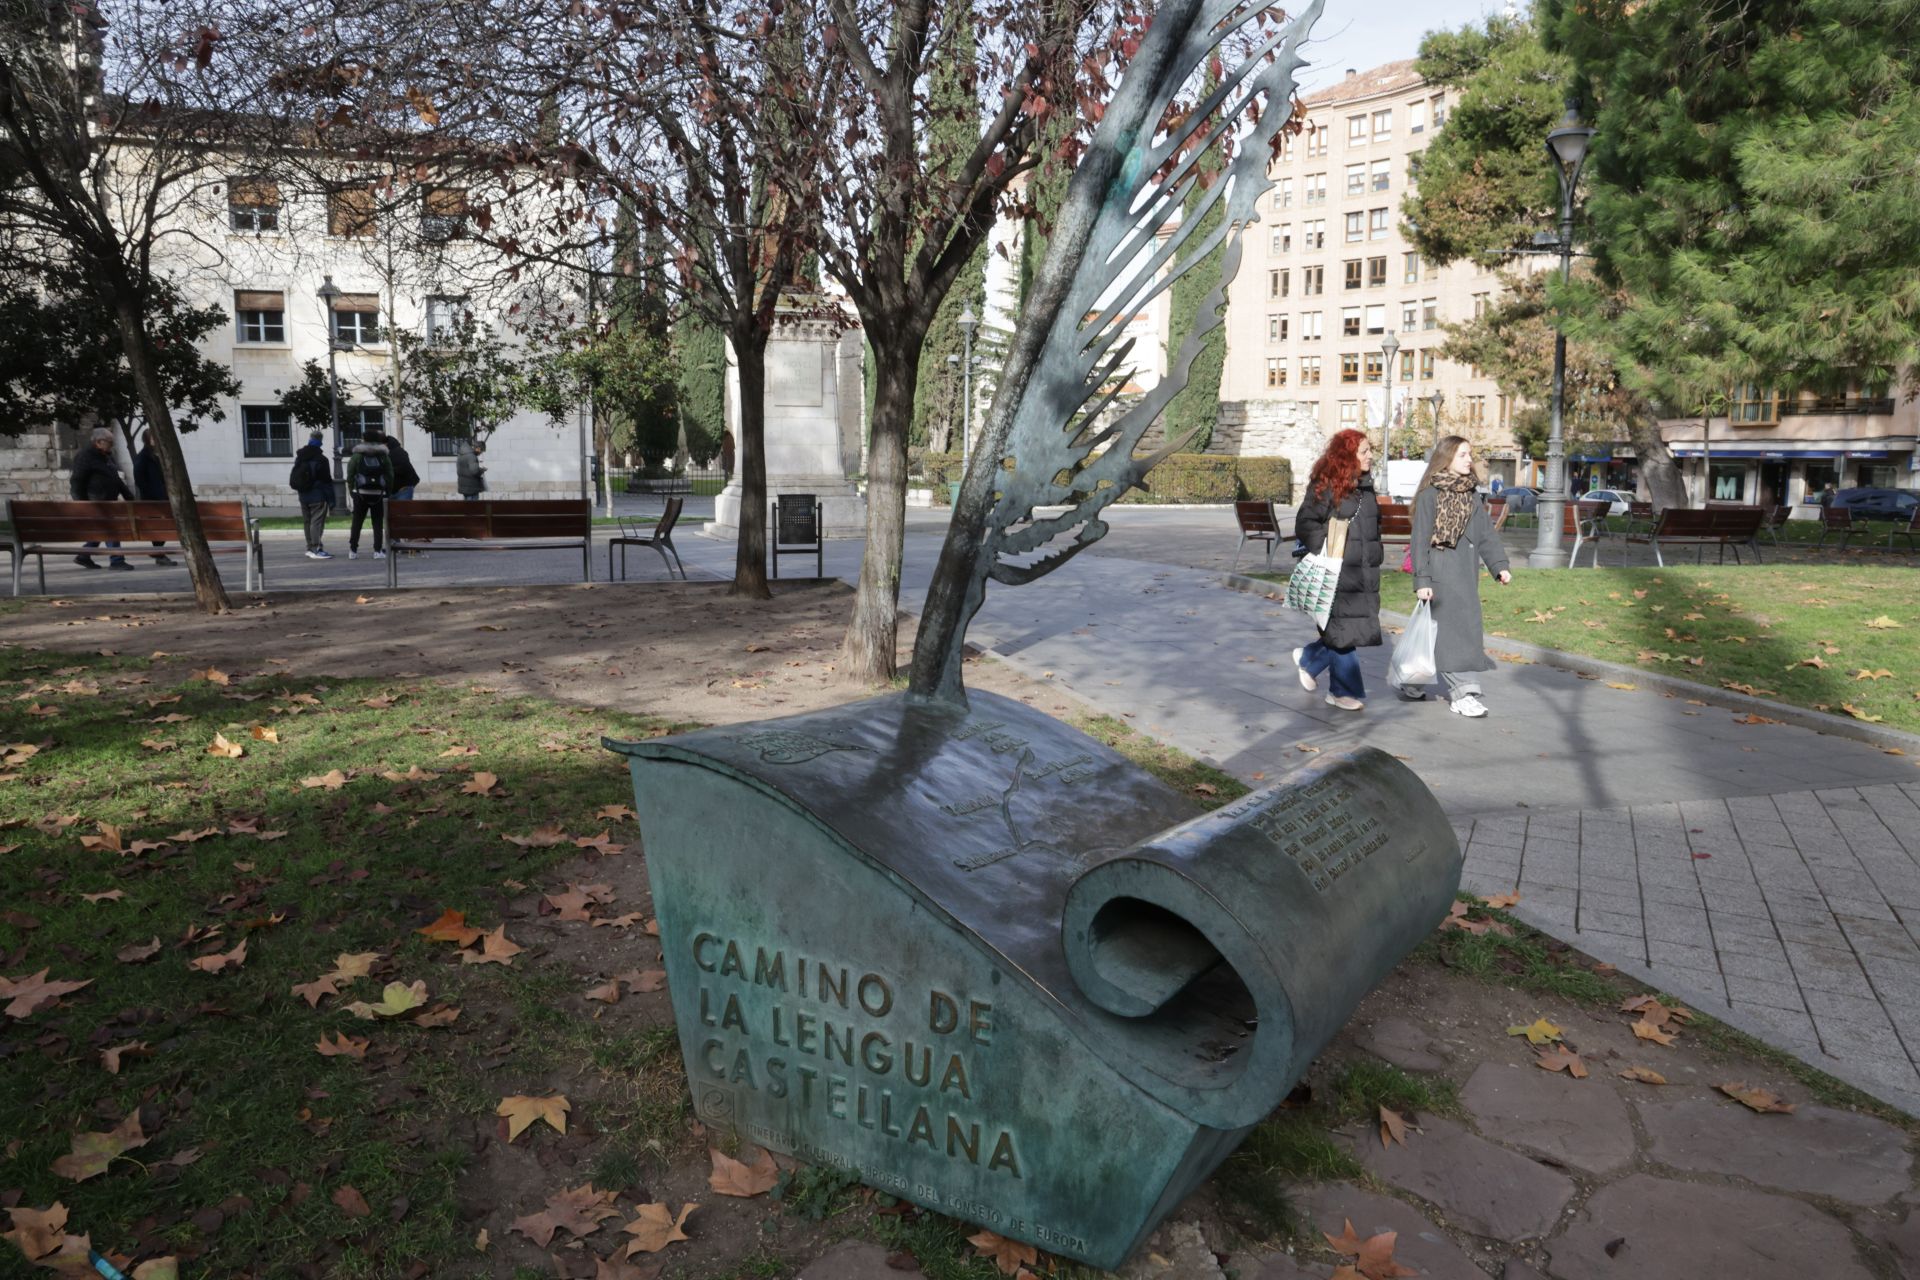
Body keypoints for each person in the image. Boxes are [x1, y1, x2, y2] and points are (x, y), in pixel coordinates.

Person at [1409, 435, 1512, 718]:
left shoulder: (1471, 495)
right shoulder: (1430, 495)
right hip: (1440, 576)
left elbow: (1486, 535)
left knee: (1438, 635)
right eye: (1463, 455)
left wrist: (1499, 566)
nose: (1469, 459)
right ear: (1447, 459)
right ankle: (1463, 693)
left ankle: (1411, 680)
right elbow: (1419, 542)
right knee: (1452, 635)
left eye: (1470, 454)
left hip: (1465, 574)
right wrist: (1422, 581)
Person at [1291, 428, 1385, 712]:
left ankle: (1311, 658)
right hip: (1334, 571)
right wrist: (1328, 551)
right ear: (1348, 455)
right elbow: (1306, 522)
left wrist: (1373, 556)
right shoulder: (1327, 484)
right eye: (1364, 451)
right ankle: (1341, 691)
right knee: (1344, 629)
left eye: (1370, 450)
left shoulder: (1366, 488)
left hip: (1362, 571)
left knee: (1348, 627)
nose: (1370, 456)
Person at [68, 427, 133, 570]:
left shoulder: (106, 455)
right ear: (99, 442)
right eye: (110, 442)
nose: (112, 444)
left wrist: (129, 496)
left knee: (101, 529)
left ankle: (84, 555)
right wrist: (82, 504)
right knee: (111, 528)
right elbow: (77, 482)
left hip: (108, 501)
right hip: (96, 502)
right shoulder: (85, 456)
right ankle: (116, 560)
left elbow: (116, 479)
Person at [346, 427, 394, 560]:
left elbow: (350, 474)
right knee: (377, 522)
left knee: (357, 521)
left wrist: (352, 490)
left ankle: (353, 550)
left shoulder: (357, 455)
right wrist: (387, 491)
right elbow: (390, 475)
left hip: (360, 492)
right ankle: (377, 550)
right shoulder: (383, 455)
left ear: (364, 439)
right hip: (378, 493)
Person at [289, 428, 335, 559]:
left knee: (307, 521)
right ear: (320, 441)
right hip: (318, 495)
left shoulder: (300, 457)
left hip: (303, 494)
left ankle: (309, 547)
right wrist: (331, 500)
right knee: (317, 522)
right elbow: (326, 481)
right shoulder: (321, 459)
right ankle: (316, 548)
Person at [131, 430, 176, 566]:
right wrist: (151, 493)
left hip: (160, 496)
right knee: (159, 526)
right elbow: (139, 478)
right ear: (147, 440)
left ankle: (158, 551)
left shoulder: (155, 456)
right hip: (152, 498)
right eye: (153, 438)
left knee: (162, 525)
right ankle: (158, 552)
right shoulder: (144, 457)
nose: (156, 440)